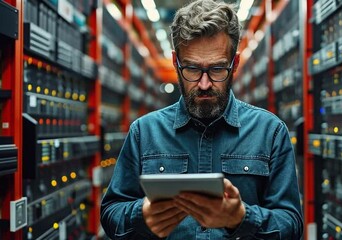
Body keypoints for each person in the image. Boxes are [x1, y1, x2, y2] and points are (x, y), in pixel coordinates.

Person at [100, 0, 303, 239]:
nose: (204, 84)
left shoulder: (270, 132)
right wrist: (140, 215)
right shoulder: (144, 132)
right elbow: (111, 213)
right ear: (176, 62)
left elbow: (291, 224)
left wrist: (241, 218)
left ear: (234, 64)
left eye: (217, 69)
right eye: (193, 69)